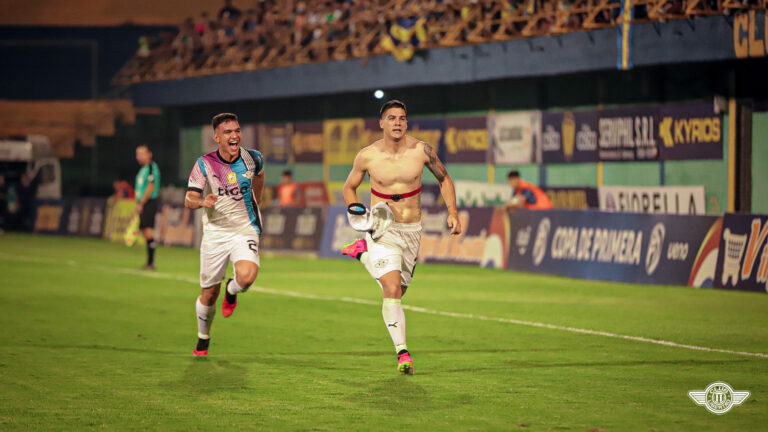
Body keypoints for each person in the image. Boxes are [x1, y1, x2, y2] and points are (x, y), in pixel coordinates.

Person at [341, 100, 462, 375]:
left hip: (412, 230)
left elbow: (444, 179)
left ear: (407, 123)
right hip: (383, 228)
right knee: (392, 290)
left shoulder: (421, 151)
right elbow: (349, 188)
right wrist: (355, 209)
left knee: (400, 290)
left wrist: (453, 211)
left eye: (402, 118)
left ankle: (361, 253)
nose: (397, 122)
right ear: (381, 123)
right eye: (392, 118)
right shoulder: (367, 156)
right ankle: (402, 352)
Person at [185, 112, 265, 356]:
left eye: (237, 131)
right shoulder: (204, 164)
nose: (234, 136)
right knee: (208, 295)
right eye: (228, 132)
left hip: (245, 228)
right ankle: (203, 336)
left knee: (248, 277)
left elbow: (259, 174)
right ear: (216, 137)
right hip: (216, 234)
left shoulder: (252, 158)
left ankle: (232, 290)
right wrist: (202, 202)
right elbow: (189, 198)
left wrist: (257, 200)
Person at [134, 145, 161, 270]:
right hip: (144, 203)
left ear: (149, 154)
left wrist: (141, 204)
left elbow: (150, 187)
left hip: (149, 202)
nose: (139, 156)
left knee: (148, 231)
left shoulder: (150, 168)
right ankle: (149, 262)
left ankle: (151, 262)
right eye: (137, 154)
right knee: (145, 231)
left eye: (141, 153)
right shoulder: (143, 169)